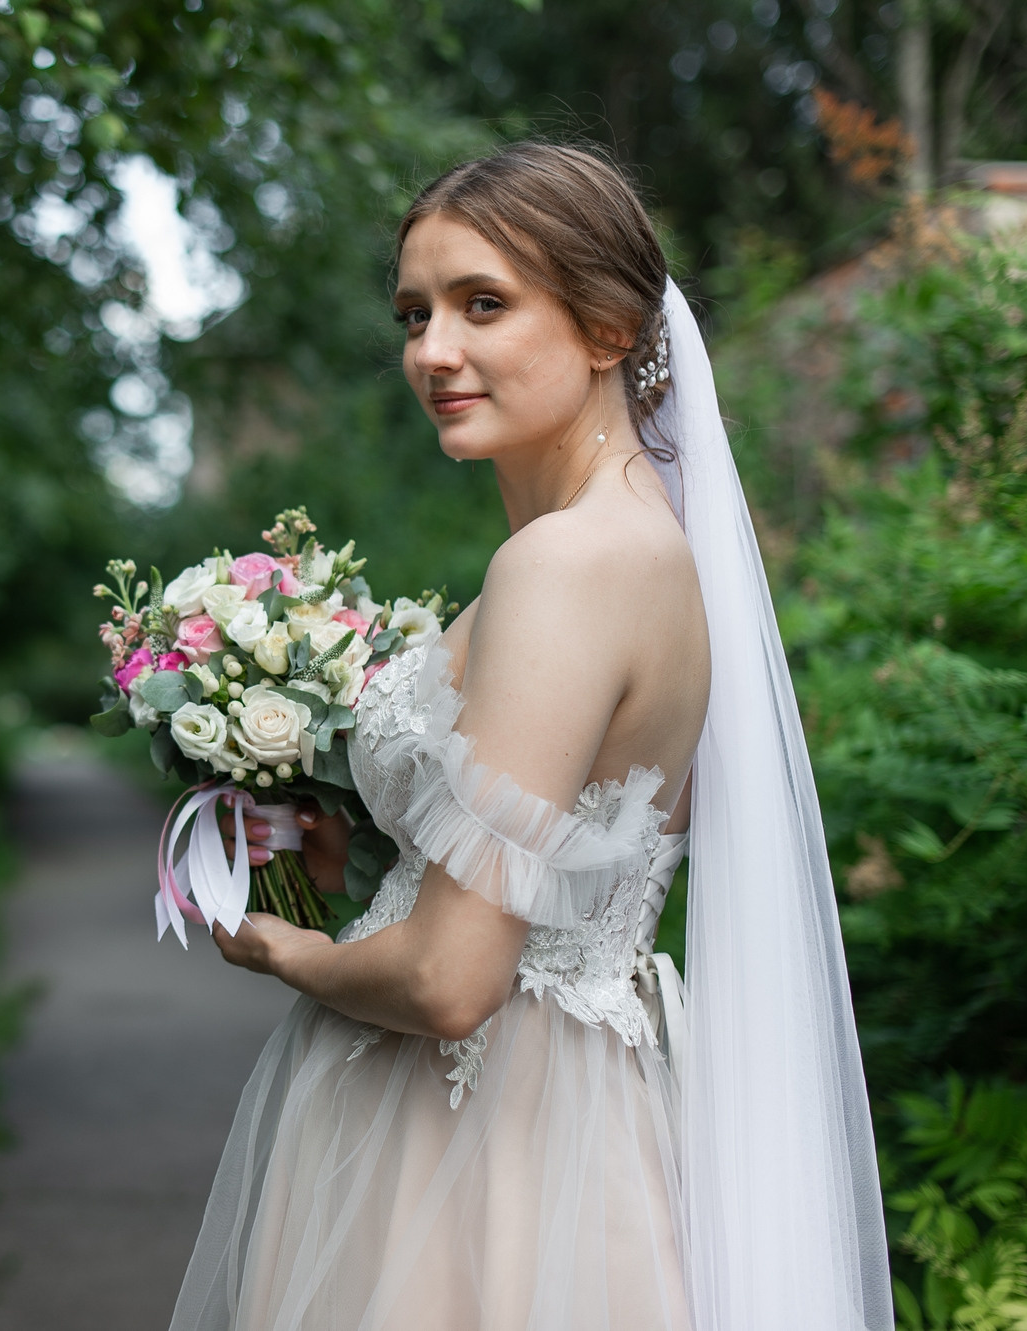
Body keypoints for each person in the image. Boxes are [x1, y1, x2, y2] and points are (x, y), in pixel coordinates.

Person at [170, 143, 891, 1331]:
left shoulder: (561, 567)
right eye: (413, 312)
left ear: (609, 326)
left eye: (481, 304)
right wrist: (365, 872)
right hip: (551, 1114)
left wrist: (281, 952)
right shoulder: (637, 545)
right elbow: (541, 868)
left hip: (478, 1145)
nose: (430, 351)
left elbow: (453, 980)